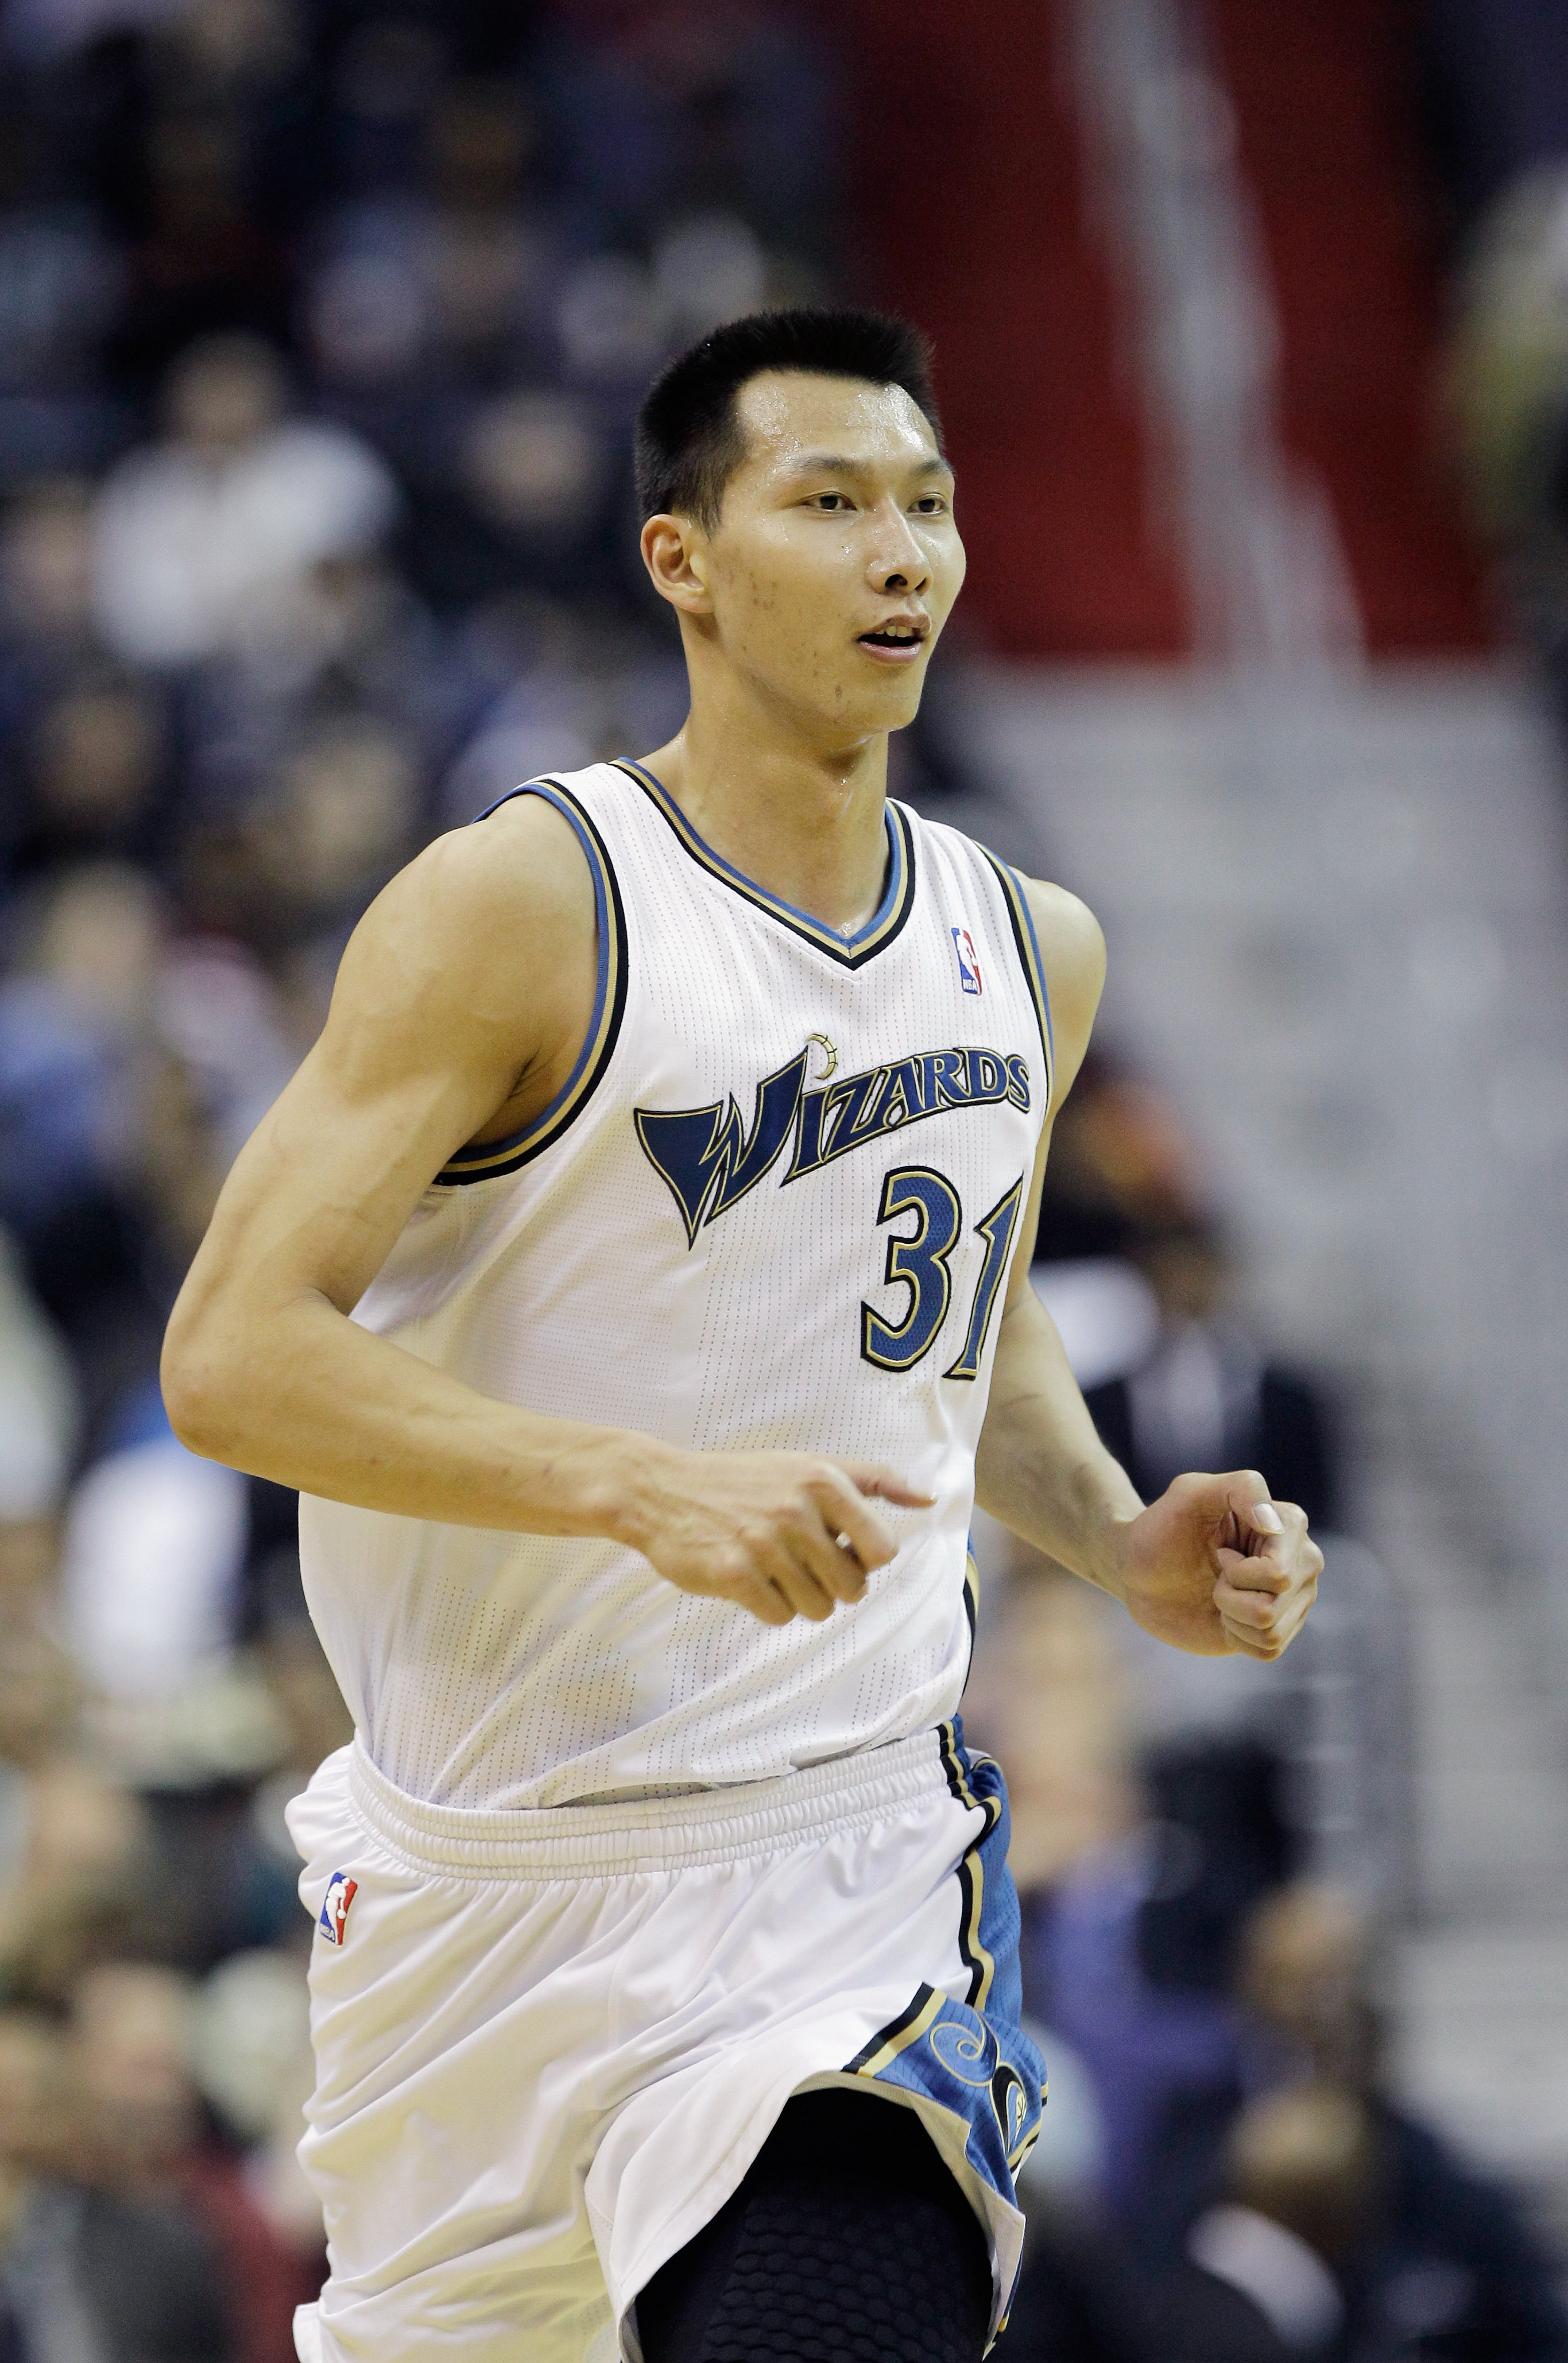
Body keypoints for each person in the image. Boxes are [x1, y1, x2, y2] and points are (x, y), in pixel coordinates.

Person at [161, 308, 1322, 2363]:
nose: (904, 554)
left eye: (929, 506)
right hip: (475, 1894)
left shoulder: (1022, 944)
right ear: (681, 558)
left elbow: (961, 1321)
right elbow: (231, 1355)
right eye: (831, 502)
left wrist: (1113, 1529)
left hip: (838, 1872)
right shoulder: (525, 900)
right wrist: (630, 1486)